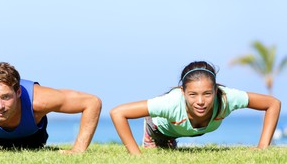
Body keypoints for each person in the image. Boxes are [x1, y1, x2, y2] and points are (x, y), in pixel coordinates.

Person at [110, 61, 281, 155]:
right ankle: (154, 138)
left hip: (179, 129)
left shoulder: (227, 98)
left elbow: (272, 103)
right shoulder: (170, 103)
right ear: (182, 92)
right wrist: (135, 155)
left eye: (207, 94)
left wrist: (262, 146)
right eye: (193, 95)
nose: (200, 101)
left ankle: (170, 140)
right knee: (161, 151)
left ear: (216, 90)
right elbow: (118, 113)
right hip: (157, 129)